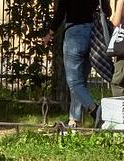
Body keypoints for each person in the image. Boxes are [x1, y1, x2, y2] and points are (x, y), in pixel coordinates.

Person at [41, 0, 100, 128]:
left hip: (74, 33)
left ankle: (95, 109)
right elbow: (106, 8)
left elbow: (61, 11)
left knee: (74, 82)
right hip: (91, 32)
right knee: (81, 82)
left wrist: (50, 33)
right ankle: (74, 121)